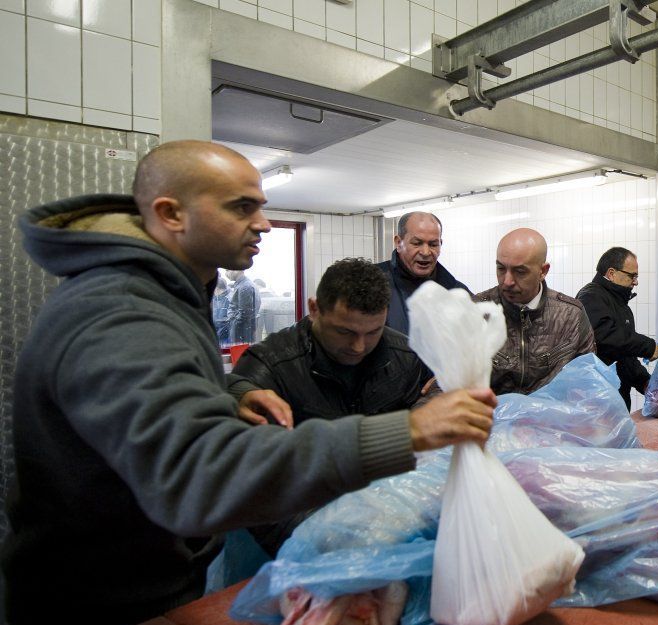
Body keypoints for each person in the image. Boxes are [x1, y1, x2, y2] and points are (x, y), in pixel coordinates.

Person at [2, 140, 496, 625]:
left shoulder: (164, 297)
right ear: (172, 214)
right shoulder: (123, 312)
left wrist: (229, 394)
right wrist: (407, 433)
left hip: (146, 584)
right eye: (242, 208)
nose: (262, 222)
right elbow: (198, 472)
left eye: (260, 206)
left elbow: (149, 416)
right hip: (100, 601)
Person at [232, 257, 435, 426]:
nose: (359, 347)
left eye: (374, 332)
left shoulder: (405, 356)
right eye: (344, 331)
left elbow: (428, 403)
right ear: (314, 309)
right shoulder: (268, 365)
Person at [474, 228, 595, 395]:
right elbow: (452, 381)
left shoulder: (570, 316)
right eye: (501, 269)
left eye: (520, 271)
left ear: (543, 271)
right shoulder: (476, 311)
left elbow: (587, 382)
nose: (507, 281)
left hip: (552, 419)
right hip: (490, 419)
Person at [576, 247, 658, 409]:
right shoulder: (591, 296)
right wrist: (648, 347)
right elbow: (605, 337)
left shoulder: (620, 305)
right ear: (611, 273)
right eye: (632, 276)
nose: (635, 282)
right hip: (595, 400)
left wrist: (645, 383)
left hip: (617, 399)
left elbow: (623, 355)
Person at [376, 211, 470, 334]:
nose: (425, 252)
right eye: (417, 243)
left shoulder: (457, 292)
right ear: (399, 243)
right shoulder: (372, 282)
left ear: (440, 245)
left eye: (433, 244)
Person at [226, 269, 259, 344]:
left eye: (227, 270)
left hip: (241, 331)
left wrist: (233, 321)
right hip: (243, 329)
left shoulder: (244, 286)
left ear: (237, 270)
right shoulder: (244, 284)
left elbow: (244, 313)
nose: (226, 273)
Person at [211, 271, 231, 345]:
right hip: (216, 333)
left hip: (225, 335)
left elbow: (228, 320)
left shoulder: (228, 299)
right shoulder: (215, 298)